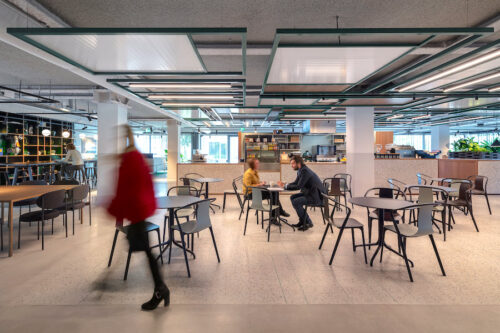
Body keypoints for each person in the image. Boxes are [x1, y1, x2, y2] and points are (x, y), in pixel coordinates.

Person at [107, 125, 169, 311]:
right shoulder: (138, 159)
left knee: (146, 251)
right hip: (140, 210)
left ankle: (160, 289)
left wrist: (118, 215)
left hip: (136, 212)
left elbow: (123, 190)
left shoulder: (128, 161)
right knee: (145, 250)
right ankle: (161, 289)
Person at [278, 155, 326, 231]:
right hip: (310, 193)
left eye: (293, 163)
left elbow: (298, 186)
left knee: (296, 202)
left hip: (316, 197)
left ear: (298, 163)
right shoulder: (301, 170)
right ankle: (302, 221)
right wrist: (285, 185)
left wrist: (285, 187)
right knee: (292, 197)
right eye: (291, 164)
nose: (291, 166)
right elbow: (296, 182)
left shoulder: (305, 171)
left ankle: (308, 222)